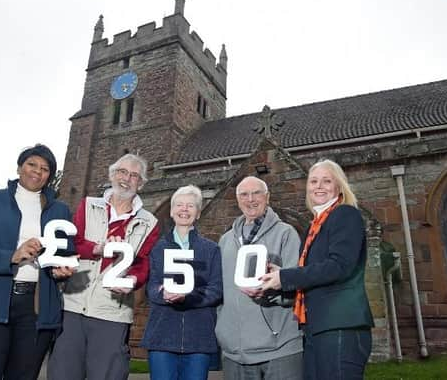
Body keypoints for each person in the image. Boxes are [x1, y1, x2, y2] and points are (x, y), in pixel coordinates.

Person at [0, 144, 75, 380]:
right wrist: (11, 256)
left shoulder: (61, 211)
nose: (37, 171)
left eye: (45, 168)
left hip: (37, 310)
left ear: (50, 175)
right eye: (31, 164)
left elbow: (65, 256)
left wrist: (62, 271)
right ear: (19, 167)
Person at [48, 153, 160, 380]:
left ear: (141, 183)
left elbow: (144, 263)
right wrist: (98, 248)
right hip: (73, 306)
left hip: (113, 313)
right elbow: (74, 243)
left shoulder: (150, 222)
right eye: (122, 172)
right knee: (63, 373)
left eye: (134, 175)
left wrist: (132, 281)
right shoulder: (87, 205)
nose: (127, 178)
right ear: (111, 175)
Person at [259, 159, 374, 380]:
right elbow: (314, 273)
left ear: (339, 187)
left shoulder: (345, 214)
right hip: (316, 328)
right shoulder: (316, 225)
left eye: (326, 181)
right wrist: (277, 276)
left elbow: (339, 266)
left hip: (340, 326)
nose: (318, 186)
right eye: (313, 181)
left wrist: (284, 276)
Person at [215, 176, 304, 380]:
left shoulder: (286, 234)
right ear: (237, 200)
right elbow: (221, 291)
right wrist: (223, 329)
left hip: (279, 348)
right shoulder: (226, 240)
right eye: (244, 194)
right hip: (234, 352)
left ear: (267, 197)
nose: (250, 199)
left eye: (257, 193)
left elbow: (297, 286)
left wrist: (272, 291)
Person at [141, 185, 223, 380]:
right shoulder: (157, 248)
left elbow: (216, 290)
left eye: (190, 206)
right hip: (162, 335)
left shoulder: (211, 249)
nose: (184, 209)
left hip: (198, 337)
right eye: (179, 205)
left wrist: (190, 297)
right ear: (171, 211)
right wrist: (162, 294)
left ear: (198, 213)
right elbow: (150, 287)